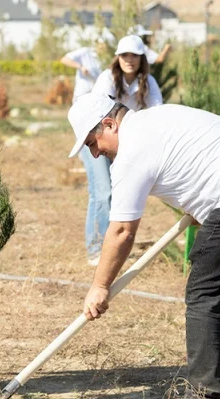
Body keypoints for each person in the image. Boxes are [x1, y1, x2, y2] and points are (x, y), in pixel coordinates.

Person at [67, 92, 220, 399]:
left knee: (203, 294)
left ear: (110, 124)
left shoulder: (132, 150)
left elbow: (122, 230)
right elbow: (202, 158)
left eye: (93, 143)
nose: (95, 154)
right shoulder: (160, 117)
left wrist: (100, 285)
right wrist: (201, 203)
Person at [73, 35, 163, 266]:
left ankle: (109, 246)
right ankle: (96, 247)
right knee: (102, 191)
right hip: (97, 138)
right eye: (125, 55)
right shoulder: (107, 79)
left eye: (134, 55)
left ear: (141, 58)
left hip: (123, 142)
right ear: (118, 58)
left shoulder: (148, 82)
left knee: (117, 191)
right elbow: (99, 117)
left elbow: (157, 112)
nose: (129, 60)